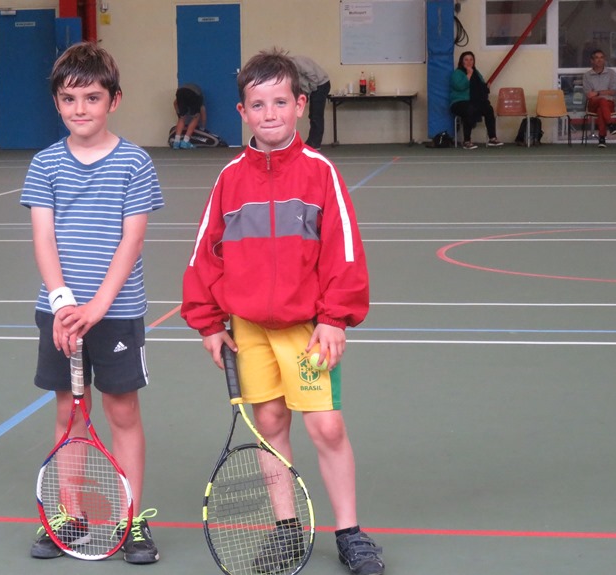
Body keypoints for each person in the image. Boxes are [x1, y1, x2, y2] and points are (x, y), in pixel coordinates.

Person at [181, 48, 384, 575]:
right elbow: (205, 253)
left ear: (299, 105)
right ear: (242, 111)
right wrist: (208, 323)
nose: (269, 113)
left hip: (306, 331)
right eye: (257, 104)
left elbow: (344, 251)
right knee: (270, 423)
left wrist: (334, 318)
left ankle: (349, 532)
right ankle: (286, 528)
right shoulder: (229, 179)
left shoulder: (321, 174)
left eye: (279, 102)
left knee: (327, 428)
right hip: (248, 330)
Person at [21, 41, 164, 564]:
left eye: (92, 98)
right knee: (69, 412)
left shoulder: (135, 163)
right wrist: (64, 303)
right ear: (56, 103)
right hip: (60, 314)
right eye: (69, 99)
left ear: (114, 100)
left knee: (121, 410)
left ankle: (132, 520)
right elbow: (44, 238)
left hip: (116, 313)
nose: (80, 109)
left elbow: (132, 241)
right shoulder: (44, 164)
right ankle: (70, 515)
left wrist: (98, 307)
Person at [449, 51, 503, 150]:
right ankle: (467, 141)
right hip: (459, 102)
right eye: (466, 60)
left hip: (474, 102)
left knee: (488, 109)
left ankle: (492, 138)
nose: (469, 62)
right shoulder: (457, 73)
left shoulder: (476, 73)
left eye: (471, 60)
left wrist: (486, 87)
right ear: (462, 61)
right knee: (469, 109)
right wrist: (469, 75)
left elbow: (481, 86)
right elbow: (460, 86)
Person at [290, 54, 331, 149]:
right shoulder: (291, 67)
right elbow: (302, 82)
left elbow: (312, 76)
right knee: (312, 115)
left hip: (321, 85)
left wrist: (310, 90)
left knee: (316, 115)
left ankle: (315, 143)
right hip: (315, 87)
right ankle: (312, 141)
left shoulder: (297, 62)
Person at [583, 49, 616, 148]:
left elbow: (613, 91)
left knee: (601, 109)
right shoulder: (587, 75)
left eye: (602, 57)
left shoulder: (611, 73)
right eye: (597, 58)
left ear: (604, 60)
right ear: (592, 60)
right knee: (602, 101)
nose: (599, 60)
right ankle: (610, 125)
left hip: (608, 103)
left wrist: (597, 92)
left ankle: (602, 138)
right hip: (593, 103)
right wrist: (604, 92)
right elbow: (589, 95)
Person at [172, 83, 206, 149]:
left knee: (181, 118)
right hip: (193, 94)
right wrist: (203, 128)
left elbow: (175, 103)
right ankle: (185, 141)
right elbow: (203, 113)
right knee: (196, 117)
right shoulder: (199, 98)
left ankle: (176, 142)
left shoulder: (185, 89)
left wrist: (179, 114)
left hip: (180, 92)